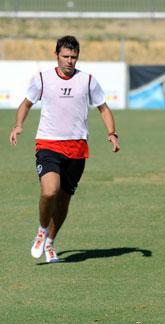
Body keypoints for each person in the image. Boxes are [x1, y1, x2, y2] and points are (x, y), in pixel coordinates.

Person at [9, 35, 120, 263]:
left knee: (63, 201)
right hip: (48, 144)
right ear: (56, 55)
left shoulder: (88, 80)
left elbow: (104, 108)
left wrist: (111, 133)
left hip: (77, 148)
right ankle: (41, 230)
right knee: (50, 191)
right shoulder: (42, 79)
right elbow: (26, 104)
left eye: (74, 57)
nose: (69, 61)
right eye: (65, 56)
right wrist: (19, 125)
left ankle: (50, 242)